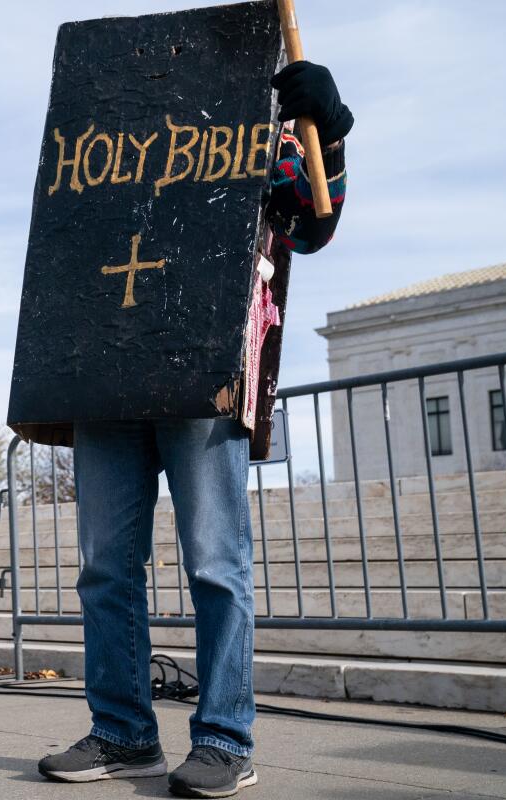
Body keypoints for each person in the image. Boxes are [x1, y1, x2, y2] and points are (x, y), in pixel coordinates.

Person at [36, 61, 352, 798]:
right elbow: (67, 233)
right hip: (108, 367)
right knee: (104, 567)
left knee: (216, 562)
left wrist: (326, 134)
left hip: (204, 369)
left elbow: (313, 223)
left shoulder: (253, 124)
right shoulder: (107, 130)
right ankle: (122, 731)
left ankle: (224, 738)